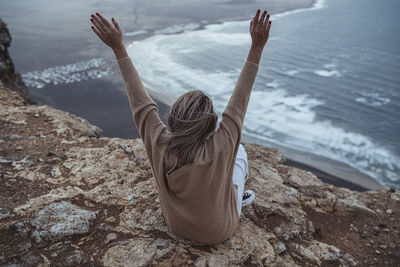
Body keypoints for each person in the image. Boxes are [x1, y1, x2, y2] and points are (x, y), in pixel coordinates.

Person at [90, 9, 271, 245]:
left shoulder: (158, 142)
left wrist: (119, 48)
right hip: (220, 231)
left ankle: (227, 192)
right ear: (209, 126)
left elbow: (141, 103)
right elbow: (239, 104)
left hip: (176, 225)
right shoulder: (220, 146)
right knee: (240, 154)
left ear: (173, 119)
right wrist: (257, 47)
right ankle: (234, 196)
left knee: (229, 162)